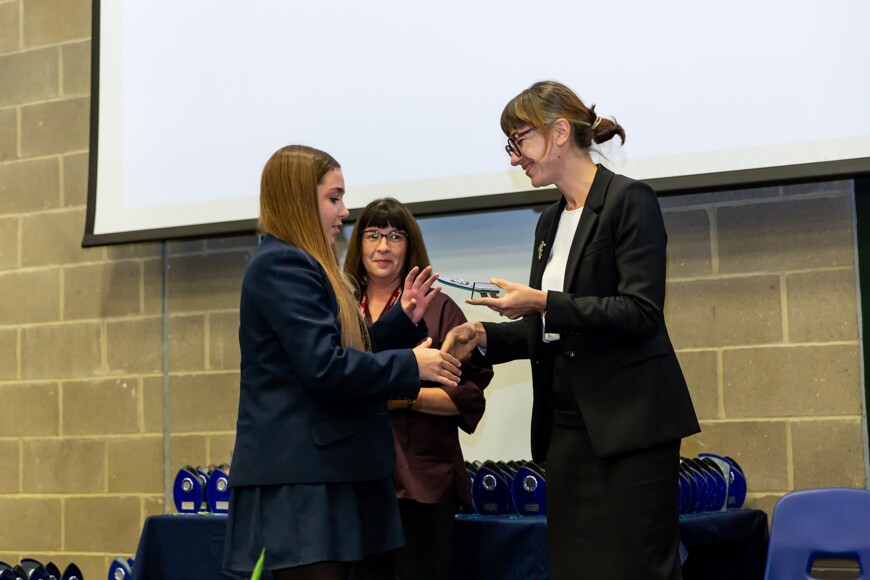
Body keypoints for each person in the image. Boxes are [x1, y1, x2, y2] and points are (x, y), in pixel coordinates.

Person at [443, 81, 700, 579]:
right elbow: (554, 331)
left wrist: (543, 302)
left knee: (636, 567)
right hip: (566, 429)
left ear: (560, 132)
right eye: (509, 144)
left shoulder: (629, 200)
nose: (514, 157)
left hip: (630, 428)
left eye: (519, 140)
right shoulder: (549, 222)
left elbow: (640, 311)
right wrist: (484, 337)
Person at [223, 145, 463, 580]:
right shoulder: (284, 264)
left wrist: (400, 322)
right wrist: (412, 365)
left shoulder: (300, 263)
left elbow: (343, 349)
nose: (344, 211)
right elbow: (326, 368)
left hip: (321, 475)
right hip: (301, 482)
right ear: (300, 200)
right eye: (333, 198)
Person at [343, 198, 493, 580]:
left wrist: (404, 399)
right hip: (354, 484)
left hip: (422, 484)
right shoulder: (339, 308)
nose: (383, 246)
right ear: (358, 243)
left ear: (410, 245)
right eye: (373, 235)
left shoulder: (438, 309)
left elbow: (467, 397)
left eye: (395, 236)